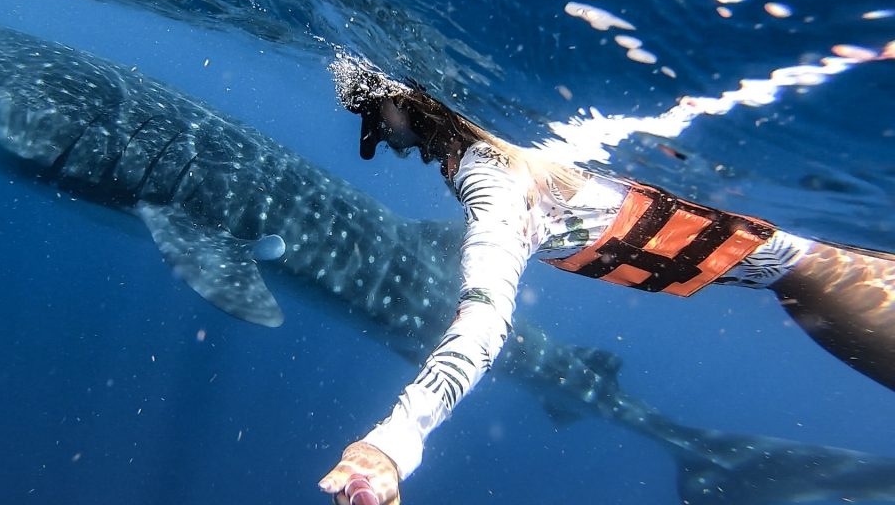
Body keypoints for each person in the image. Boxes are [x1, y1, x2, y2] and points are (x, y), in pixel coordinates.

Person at [318, 57, 895, 505]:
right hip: (806, 279)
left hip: (827, 277)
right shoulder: (518, 145)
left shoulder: (493, 182)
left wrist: (395, 440)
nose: (382, 145)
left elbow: (483, 319)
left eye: (375, 121)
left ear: (410, 106)